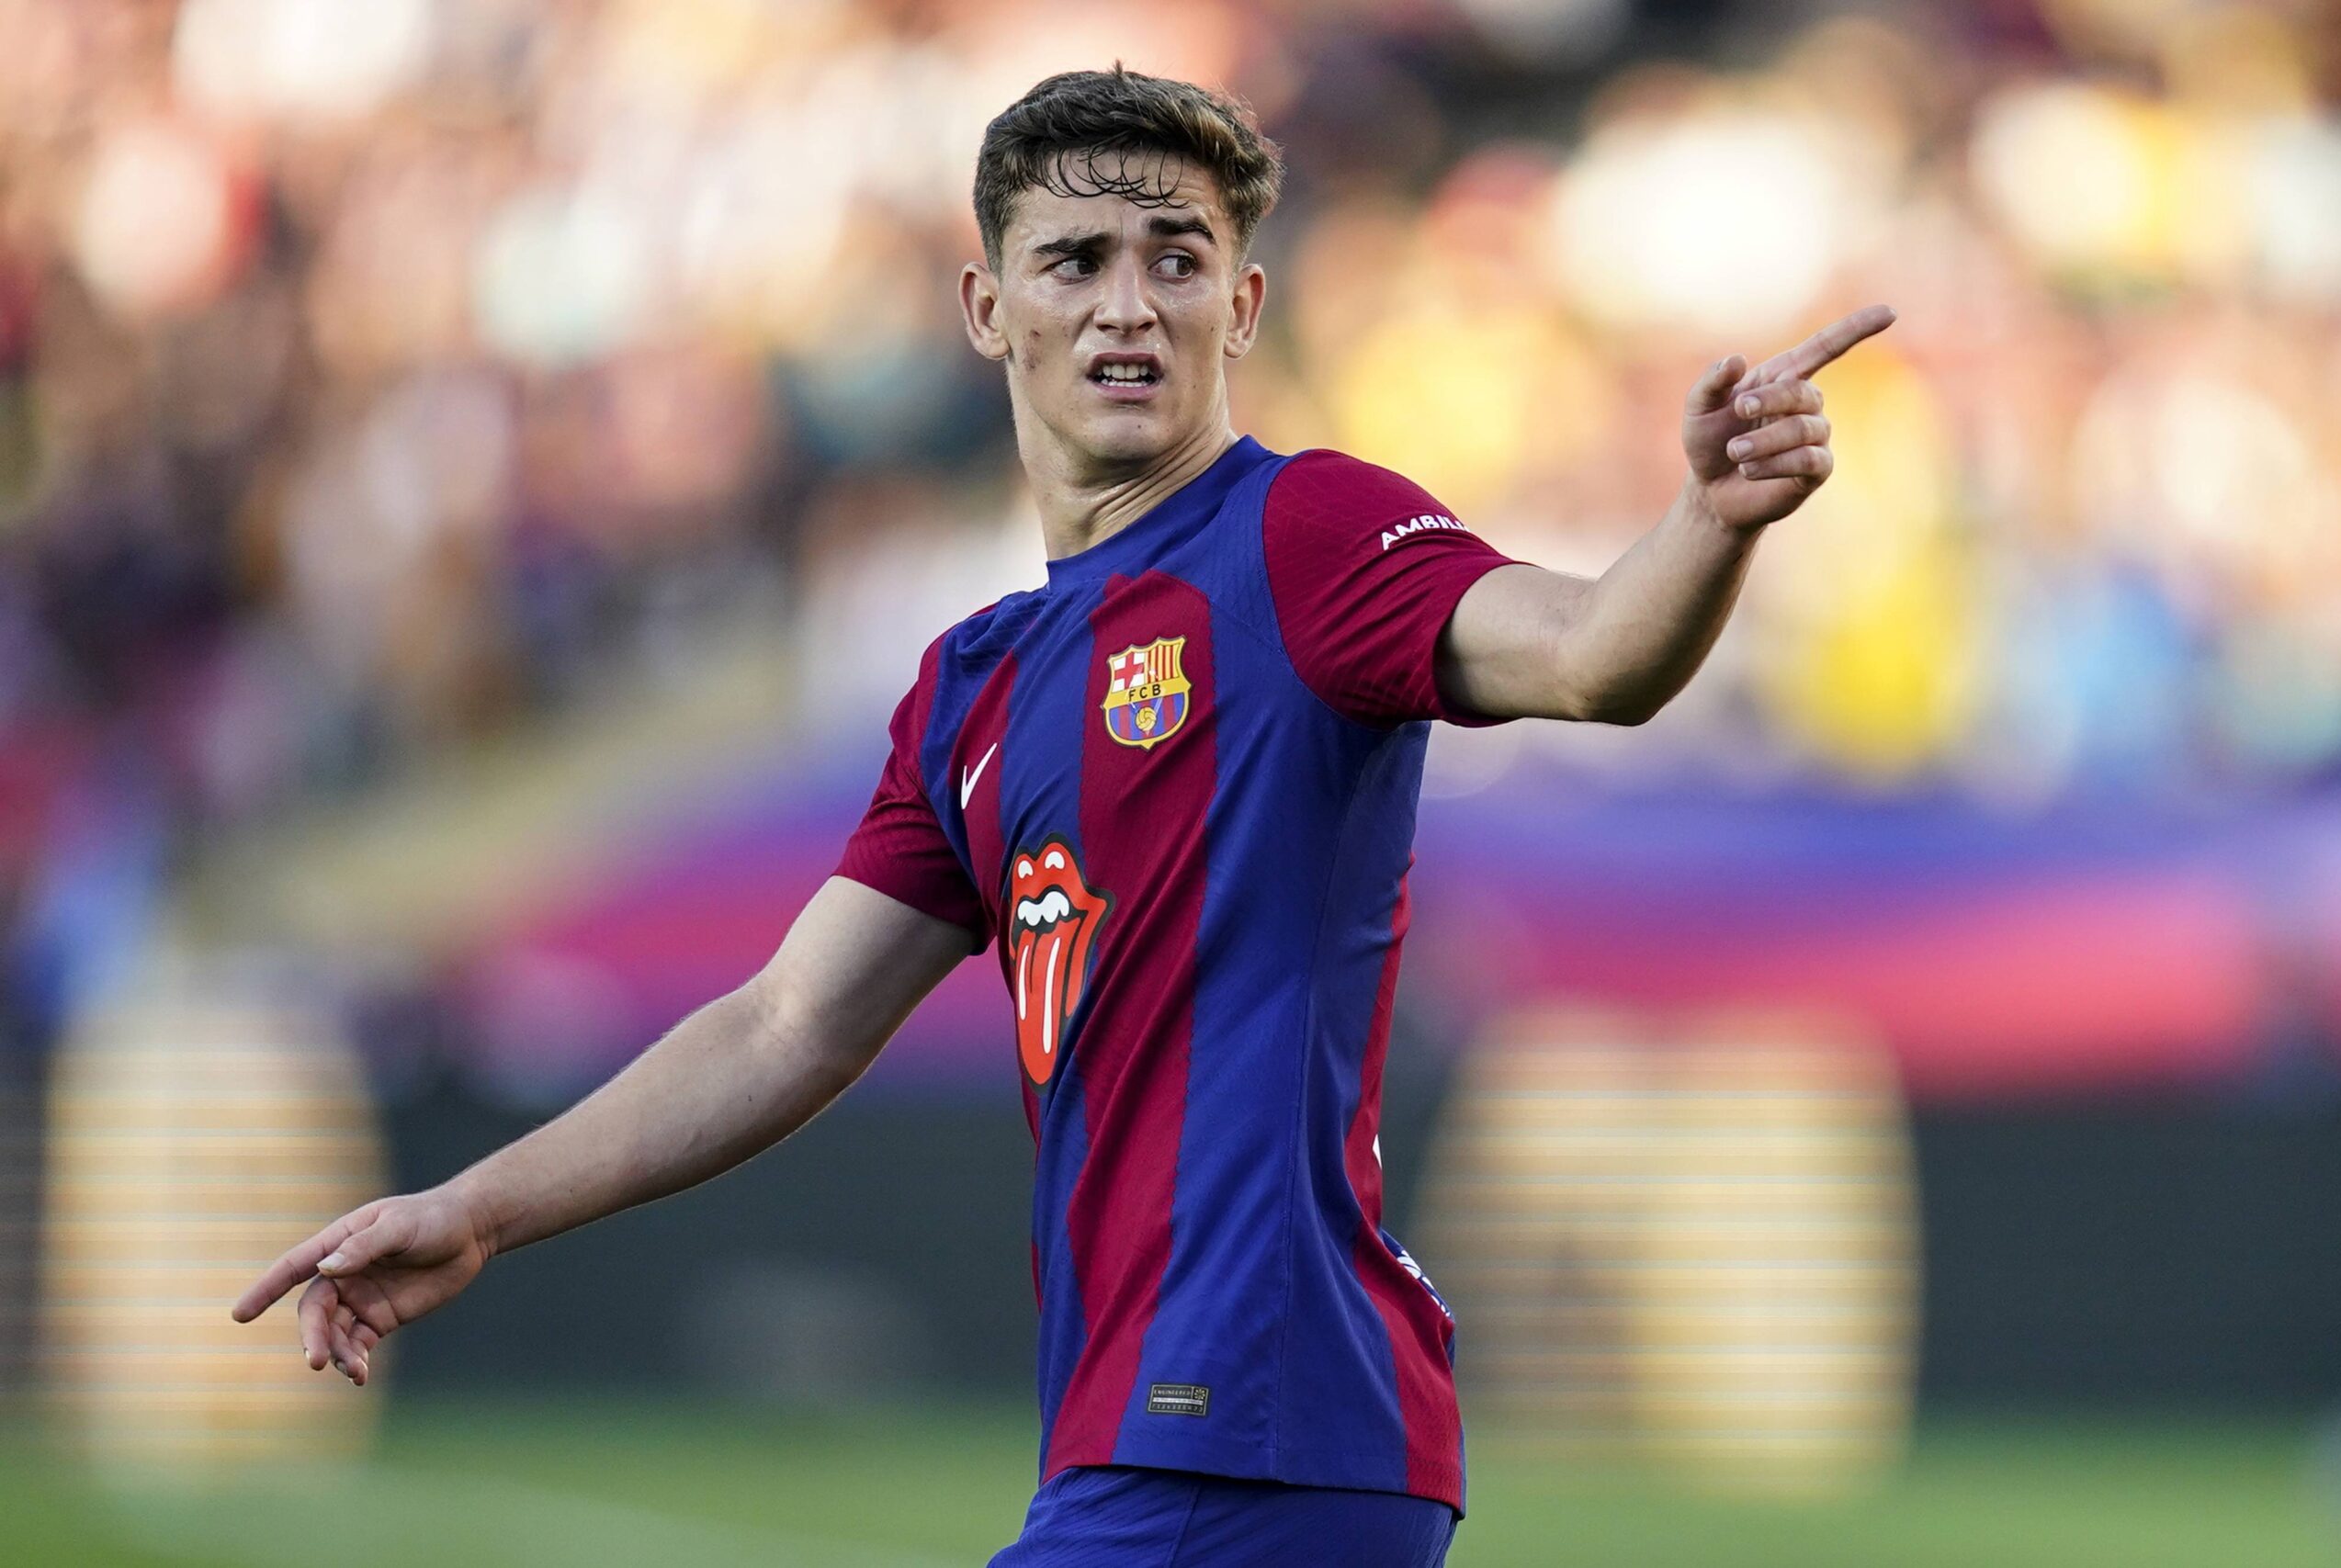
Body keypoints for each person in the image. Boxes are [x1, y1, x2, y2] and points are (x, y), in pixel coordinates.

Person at [232, 65, 1890, 1566]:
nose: (1127, 305)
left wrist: (1711, 524)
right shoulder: (975, 687)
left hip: (1254, 1421)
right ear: (987, 304)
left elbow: (1595, 656)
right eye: (1075, 260)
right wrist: (480, 1207)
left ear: (1241, 305)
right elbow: (785, 1023)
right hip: (1143, 1445)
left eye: (1175, 259)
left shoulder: (1306, 535)